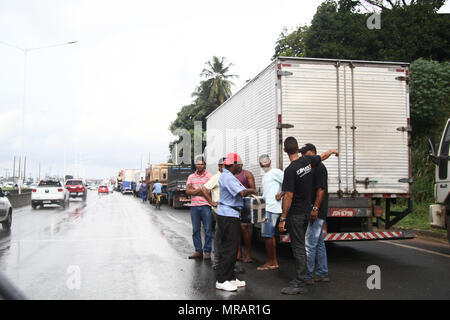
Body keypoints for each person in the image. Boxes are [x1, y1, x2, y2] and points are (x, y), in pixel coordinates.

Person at [278, 137, 338, 295]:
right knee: (306, 246)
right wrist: (332, 151)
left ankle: (300, 282)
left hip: (296, 214)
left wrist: (283, 218)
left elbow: (289, 196)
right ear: (298, 148)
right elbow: (322, 156)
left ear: (285, 150)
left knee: (298, 247)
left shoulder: (290, 170)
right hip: (306, 211)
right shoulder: (307, 162)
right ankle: (303, 277)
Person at [215, 153, 257, 292]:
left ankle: (230, 277)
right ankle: (221, 280)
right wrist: (253, 190)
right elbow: (242, 193)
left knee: (231, 247)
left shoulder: (228, 175)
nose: (239, 166)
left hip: (230, 214)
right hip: (228, 215)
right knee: (229, 248)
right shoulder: (228, 177)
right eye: (238, 164)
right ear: (232, 165)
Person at [300, 143, 330, 284]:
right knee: (318, 243)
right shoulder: (311, 167)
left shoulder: (319, 168)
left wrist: (315, 209)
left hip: (317, 211)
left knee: (310, 243)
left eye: (305, 153)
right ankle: (322, 273)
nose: (302, 156)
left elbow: (321, 189)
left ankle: (308, 275)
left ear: (313, 152)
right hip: (316, 210)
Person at [257, 154, 283, 271]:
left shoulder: (276, 172)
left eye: (266, 161)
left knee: (268, 236)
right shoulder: (265, 175)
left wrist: (281, 194)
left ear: (270, 162)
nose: (264, 164)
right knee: (269, 236)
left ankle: (271, 262)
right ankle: (274, 261)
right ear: (260, 164)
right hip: (266, 208)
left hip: (272, 209)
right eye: (262, 162)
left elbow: (289, 183)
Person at [186, 156, 212, 260]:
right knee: (195, 230)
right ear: (195, 165)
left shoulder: (210, 176)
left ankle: (207, 251)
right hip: (194, 207)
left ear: (204, 164)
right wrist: (202, 190)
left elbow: (209, 191)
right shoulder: (191, 176)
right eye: (197, 164)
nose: (199, 166)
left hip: (206, 206)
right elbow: (188, 191)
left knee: (208, 230)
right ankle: (198, 251)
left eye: (201, 164)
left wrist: (194, 190)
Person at [201, 157, 226, 269]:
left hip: (228, 211)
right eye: (223, 165)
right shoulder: (217, 177)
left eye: (227, 165)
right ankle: (217, 261)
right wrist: (211, 202)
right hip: (219, 211)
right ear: (219, 166)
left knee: (227, 237)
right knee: (219, 235)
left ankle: (226, 262)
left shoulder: (229, 177)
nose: (226, 167)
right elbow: (204, 189)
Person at [234, 164, 255, 263]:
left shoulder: (247, 174)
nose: (237, 166)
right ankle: (239, 253)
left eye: (238, 164)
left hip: (245, 204)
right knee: (236, 230)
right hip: (234, 205)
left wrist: (243, 192)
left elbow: (254, 190)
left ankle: (249, 254)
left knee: (245, 229)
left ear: (241, 165)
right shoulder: (231, 176)